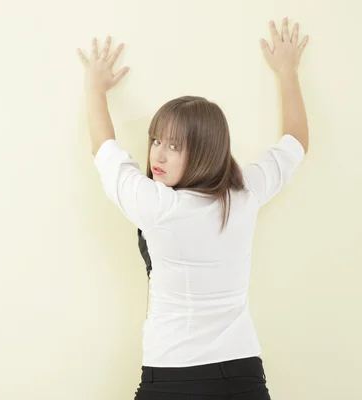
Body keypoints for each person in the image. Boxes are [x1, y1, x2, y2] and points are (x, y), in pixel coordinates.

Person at [76, 17, 309, 400]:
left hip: (172, 376)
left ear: (202, 151)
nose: (157, 155)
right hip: (242, 374)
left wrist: (95, 86)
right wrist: (288, 70)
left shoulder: (156, 204)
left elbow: (104, 149)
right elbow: (296, 143)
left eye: (174, 146)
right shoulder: (244, 192)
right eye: (156, 141)